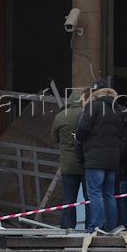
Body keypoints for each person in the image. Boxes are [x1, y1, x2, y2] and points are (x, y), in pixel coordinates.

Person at [74, 79, 124, 233]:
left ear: (95, 93)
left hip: (95, 158)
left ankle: (95, 227)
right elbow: (122, 134)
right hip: (112, 159)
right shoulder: (117, 109)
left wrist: (78, 138)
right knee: (109, 194)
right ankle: (111, 227)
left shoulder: (93, 106)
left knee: (95, 193)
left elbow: (82, 129)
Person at [51, 89, 88, 229]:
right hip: (86, 162)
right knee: (89, 199)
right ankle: (90, 228)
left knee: (69, 199)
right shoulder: (87, 115)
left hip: (68, 164)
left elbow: (54, 138)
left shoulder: (60, 116)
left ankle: (67, 228)